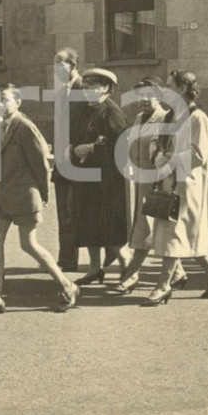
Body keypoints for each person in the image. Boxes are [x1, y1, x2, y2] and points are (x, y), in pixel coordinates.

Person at [0, 84, 80, 314]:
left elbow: (41, 164)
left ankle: (68, 285)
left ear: (18, 102)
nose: (0, 104)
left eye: (5, 100)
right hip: (5, 195)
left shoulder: (25, 127)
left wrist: (44, 195)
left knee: (29, 244)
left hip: (26, 195)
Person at [142, 71, 208, 305]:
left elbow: (198, 155)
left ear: (182, 89)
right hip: (167, 183)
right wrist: (156, 154)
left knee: (174, 234)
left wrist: (167, 157)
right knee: (185, 235)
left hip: (186, 186)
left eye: (169, 87)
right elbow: (155, 140)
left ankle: (163, 285)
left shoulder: (198, 118)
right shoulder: (169, 116)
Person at [113, 76, 173, 295]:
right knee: (152, 227)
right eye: (139, 96)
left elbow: (166, 152)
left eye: (149, 95)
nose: (144, 100)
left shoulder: (166, 118)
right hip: (140, 181)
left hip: (157, 182)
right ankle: (182, 273)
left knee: (145, 226)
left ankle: (132, 275)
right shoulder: (139, 118)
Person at [71, 68, 130, 285]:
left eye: (93, 87)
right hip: (87, 177)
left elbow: (120, 147)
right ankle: (94, 268)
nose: (87, 91)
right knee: (88, 223)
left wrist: (91, 149)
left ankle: (127, 267)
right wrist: (75, 150)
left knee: (109, 225)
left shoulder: (112, 113)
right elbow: (75, 135)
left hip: (108, 181)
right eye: (85, 87)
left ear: (106, 88)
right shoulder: (85, 110)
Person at [50, 47, 85, 272]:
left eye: (59, 63)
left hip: (77, 160)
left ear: (73, 66)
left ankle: (70, 259)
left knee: (74, 211)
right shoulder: (62, 91)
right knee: (64, 210)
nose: (55, 68)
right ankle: (66, 259)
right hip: (62, 160)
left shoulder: (83, 88)